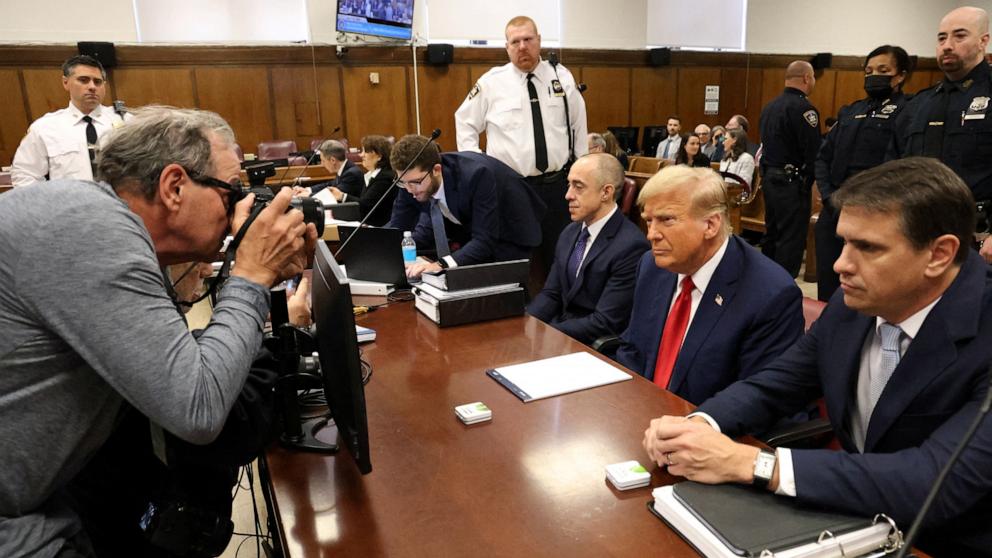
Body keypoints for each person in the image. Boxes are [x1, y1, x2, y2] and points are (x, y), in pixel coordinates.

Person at [0, 105, 317, 557]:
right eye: (231, 194)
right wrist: (250, 276)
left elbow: (175, 368)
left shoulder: (84, 213)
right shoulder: (92, 226)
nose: (235, 216)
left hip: (41, 499)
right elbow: (198, 408)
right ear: (173, 187)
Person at [642, 157, 992, 557]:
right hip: (849, 518)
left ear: (939, 254)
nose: (839, 264)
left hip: (946, 540)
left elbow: (934, 480)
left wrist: (753, 464)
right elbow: (777, 384)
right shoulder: (851, 304)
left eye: (868, 247)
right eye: (844, 241)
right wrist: (698, 424)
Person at [615, 165, 803, 405]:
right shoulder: (651, 266)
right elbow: (634, 347)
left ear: (711, 225)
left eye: (666, 220)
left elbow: (759, 401)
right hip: (640, 411)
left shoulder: (770, 294)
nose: (652, 234)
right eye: (649, 221)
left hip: (706, 429)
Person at [455, 15, 588, 282]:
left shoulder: (561, 76)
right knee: (515, 264)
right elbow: (465, 122)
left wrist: (582, 174)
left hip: (556, 187)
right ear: (507, 47)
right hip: (512, 189)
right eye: (515, 41)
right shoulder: (492, 82)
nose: (522, 46)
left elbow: (578, 126)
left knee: (563, 258)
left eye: (528, 39)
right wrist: (479, 167)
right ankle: (518, 317)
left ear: (539, 41)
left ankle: (562, 318)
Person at [889, 7, 992, 265]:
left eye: (959, 36)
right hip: (921, 231)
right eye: (941, 38)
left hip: (980, 236)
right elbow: (895, 167)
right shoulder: (919, 103)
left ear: (983, 41)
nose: (947, 45)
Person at [815, 45, 911, 302]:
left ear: (900, 75)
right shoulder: (851, 111)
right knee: (829, 282)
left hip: (876, 212)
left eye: (882, 70)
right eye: (868, 71)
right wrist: (828, 196)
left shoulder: (907, 111)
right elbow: (823, 158)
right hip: (835, 208)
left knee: (866, 287)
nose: (873, 76)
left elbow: (900, 164)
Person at [528, 153, 649, 345]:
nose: (568, 195)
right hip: (560, 334)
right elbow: (551, 294)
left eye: (578, 186)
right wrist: (526, 324)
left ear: (606, 193)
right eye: (569, 184)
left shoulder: (631, 246)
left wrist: (544, 333)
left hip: (592, 346)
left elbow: (605, 322)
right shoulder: (570, 231)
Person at [391, 134, 546, 279]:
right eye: (403, 182)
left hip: (510, 228)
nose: (410, 190)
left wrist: (438, 265)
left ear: (436, 170)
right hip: (472, 228)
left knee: (504, 293)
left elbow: (484, 240)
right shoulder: (410, 181)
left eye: (415, 182)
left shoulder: (475, 176)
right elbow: (396, 231)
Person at [10, 55, 125, 187]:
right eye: (84, 80)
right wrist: (49, 204)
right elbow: (25, 174)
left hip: (118, 204)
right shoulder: (45, 127)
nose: (92, 87)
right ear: (66, 82)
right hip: (70, 204)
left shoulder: (126, 122)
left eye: (98, 82)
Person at [758, 60, 821, 278]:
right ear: (806, 78)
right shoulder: (805, 109)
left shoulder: (769, 107)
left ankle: (764, 281)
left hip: (769, 179)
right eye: (813, 77)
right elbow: (813, 152)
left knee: (772, 234)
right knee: (791, 239)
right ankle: (783, 287)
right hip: (791, 183)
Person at [323, 135, 397, 226]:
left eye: (365, 151)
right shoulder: (373, 175)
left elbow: (366, 206)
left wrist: (343, 196)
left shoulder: (384, 178)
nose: (361, 155)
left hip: (379, 229)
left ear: (379, 156)